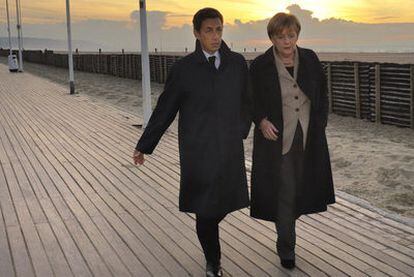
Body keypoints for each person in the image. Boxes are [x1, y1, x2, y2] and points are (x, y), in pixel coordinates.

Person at [133, 7, 251, 277]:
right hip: (198, 151)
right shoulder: (184, 69)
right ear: (197, 33)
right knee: (205, 209)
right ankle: (213, 262)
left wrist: (241, 130)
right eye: (208, 30)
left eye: (219, 29)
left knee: (224, 204)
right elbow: (165, 109)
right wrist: (144, 145)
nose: (215, 36)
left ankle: (211, 254)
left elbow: (248, 101)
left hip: (230, 150)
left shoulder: (236, 63)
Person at [249, 12, 335, 269]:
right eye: (280, 37)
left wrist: (320, 123)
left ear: (297, 35)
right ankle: (286, 247)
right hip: (277, 141)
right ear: (272, 38)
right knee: (284, 194)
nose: (286, 41)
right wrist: (261, 121)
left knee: (302, 190)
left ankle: (287, 231)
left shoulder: (310, 58)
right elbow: (250, 100)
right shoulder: (260, 65)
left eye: (291, 35)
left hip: (309, 138)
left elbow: (322, 93)